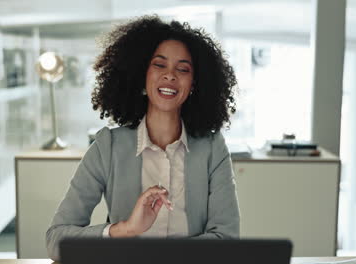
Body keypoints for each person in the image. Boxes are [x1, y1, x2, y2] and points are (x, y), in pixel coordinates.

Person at [46, 15, 240, 261]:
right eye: (159, 65)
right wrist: (126, 229)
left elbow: (227, 240)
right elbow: (56, 241)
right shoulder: (108, 146)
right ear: (141, 74)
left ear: (194, 85)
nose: (170, 75)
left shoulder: (212, 148)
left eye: (183, 69)